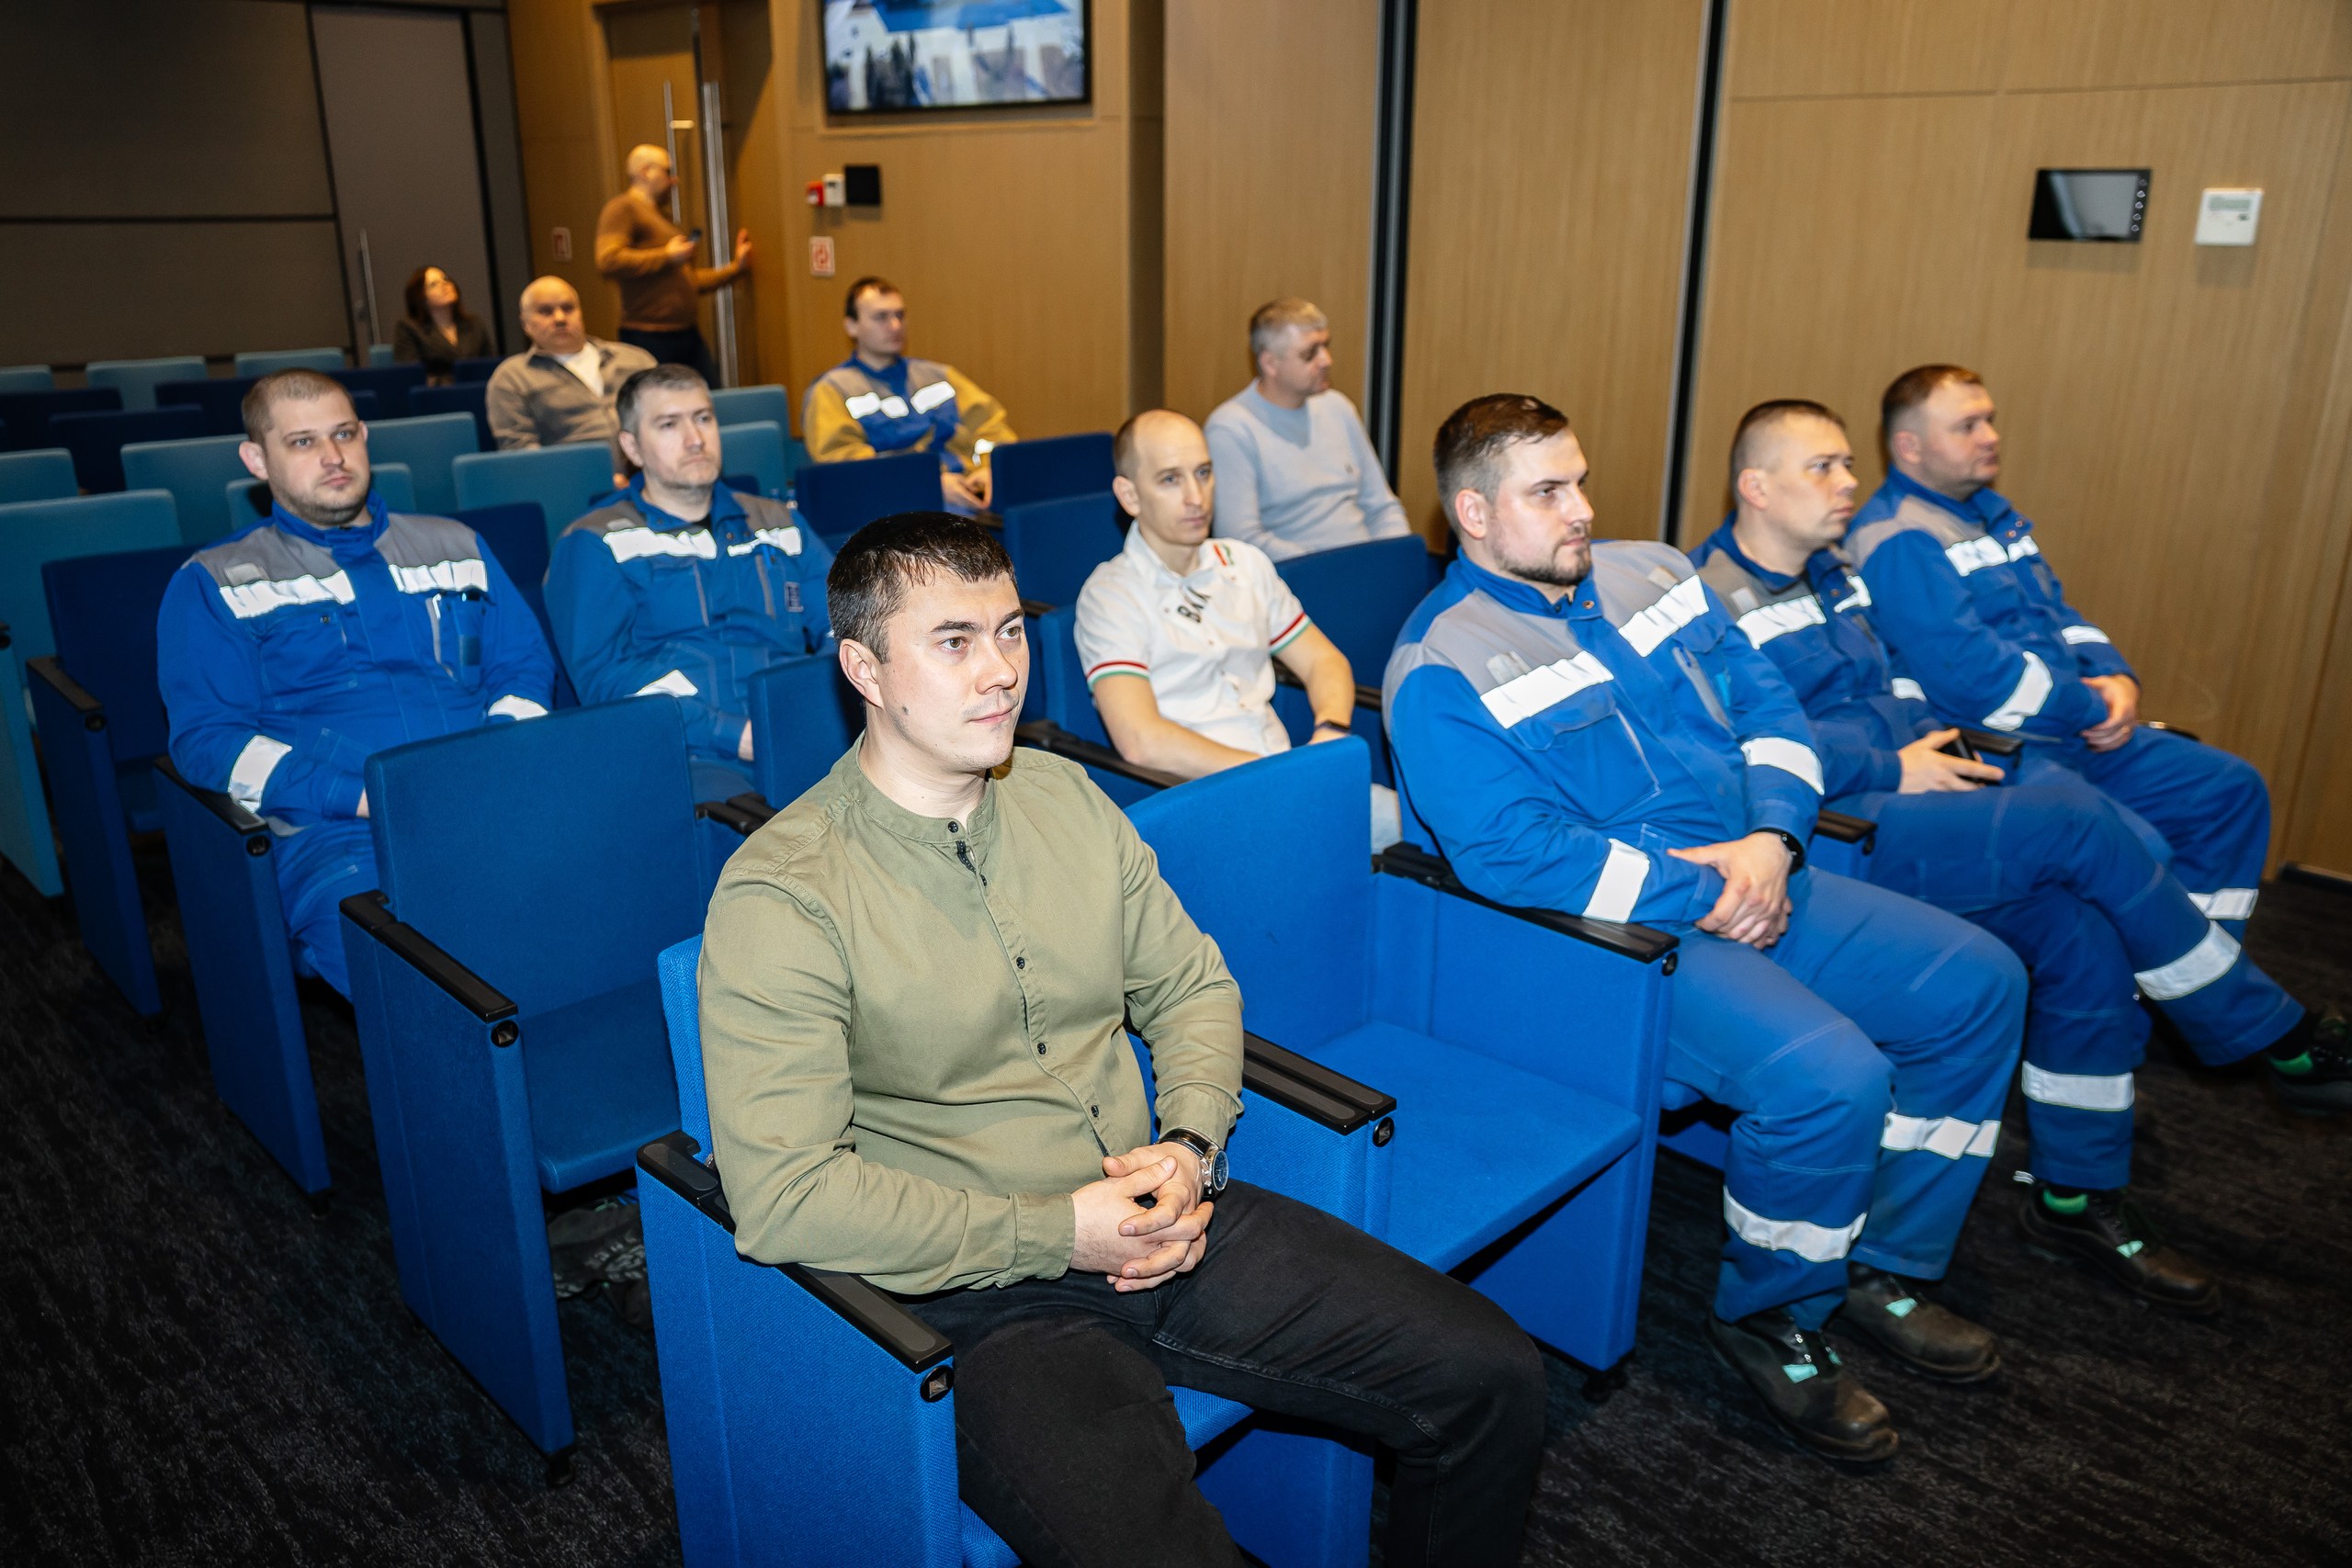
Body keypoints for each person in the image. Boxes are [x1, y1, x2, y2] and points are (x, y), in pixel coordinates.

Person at [697, 514, 1546, 1566]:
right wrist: (1060, 1232)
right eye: (954, 642)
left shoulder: (1061, 795)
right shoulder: (785, 894)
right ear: (864, 668)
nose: (1000, 672)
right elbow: (785, 1197)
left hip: (1159, 1210)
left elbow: (1190, 985)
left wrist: (1188, 1146)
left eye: (1010, 632)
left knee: (1491, 1373)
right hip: (980, 1293)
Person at [1385, 394, 2027, 1462]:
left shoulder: (1655, 574)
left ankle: (1883, 1259)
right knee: (1832, 1079)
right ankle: (1772, 1315)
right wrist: (1709, 890)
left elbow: (1772, 714)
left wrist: (1772, 839)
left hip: (1759, 873)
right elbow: (1515, 856)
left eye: (1580, 481)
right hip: (1623, 943)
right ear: (1474, 514)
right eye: (1547, 492)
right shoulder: (1441, 664)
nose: (1582, 509)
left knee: (1979, 983)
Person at [1691, 400, 2349, 1311]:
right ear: (1756, 488)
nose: (1849, 484)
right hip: (1836, 833)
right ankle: (2266, 1031)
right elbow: (1744, 753)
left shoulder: (1835, 576)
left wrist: (1930, 745)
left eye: (1848, 464)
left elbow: (1906, 686)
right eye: (1823, 468)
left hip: (1916, 789)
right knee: (2075, 826)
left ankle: (2074, 1194)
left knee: (2082, 929)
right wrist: (1893, 761)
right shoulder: (1709, 602)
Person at [1849, 367, 2286, 944]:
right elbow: (1974, 679)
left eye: (1990, 421)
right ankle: (2168, 967)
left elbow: (2058, 615)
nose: (1991, 437)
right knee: (2137, 852)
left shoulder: (1991, 515)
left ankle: (2202, 963)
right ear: (1909, 447)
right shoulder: (1900, 537)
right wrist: (2091, 706)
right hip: (2004, 743)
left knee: (2229, 790)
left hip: (2073, 726)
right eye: (1967, 426)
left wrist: (2114, 676)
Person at [159, 369, 557, 998]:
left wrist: (497, 754)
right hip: (340, 832)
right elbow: (210, 741)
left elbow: (524, 667)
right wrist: (358, 795)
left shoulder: (455, 544)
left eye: (344, 434)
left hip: (490, 795)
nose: (333, 456)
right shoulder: (216, 582)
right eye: (303, 442)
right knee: (434, 989)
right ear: (256, 460)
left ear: (365, 436)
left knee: (611, 915)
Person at [1076, 409, 1400, 849]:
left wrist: (1330, 732)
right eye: (1170, 479)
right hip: (1202, 799)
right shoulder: (1111, 594)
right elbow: (1141, 740)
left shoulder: (1245, 565)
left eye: (1203, 473)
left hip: (1287, 776)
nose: (1196, 497)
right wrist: (1272, 774)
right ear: (1130, 496)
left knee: (1426, 829)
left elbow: (1324, 661)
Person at [545, 365, 834, 802]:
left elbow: (847, 622)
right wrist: (732, 733)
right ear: (632, 447)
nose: (695, 438)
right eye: (669, 424)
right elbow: (606, 677)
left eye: (703, 418)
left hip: (798, 727)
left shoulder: (777, 522)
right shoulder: (595, 542)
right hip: (688, 755)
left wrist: (820, 706)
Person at [1205, 298, 1412, 560]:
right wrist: (1326, 567)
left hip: (1362, 562)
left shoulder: (1338, 407)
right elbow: (1241, 538)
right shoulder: (1231, 428)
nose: (1326, 360)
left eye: (1326, 346)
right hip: (1297, 573)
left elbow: (1382, 507)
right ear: (1270, 364)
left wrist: (1398, 556)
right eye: (1310, 353)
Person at [802, 276, 1015, 513]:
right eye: (881, 317)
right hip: (900, 504)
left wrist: (990, 468)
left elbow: (991, 428)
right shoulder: (832, 390)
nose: (895, 326)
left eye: (900, 315)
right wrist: (928, 483)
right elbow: (844, 463)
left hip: (970, 487)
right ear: (851, 326)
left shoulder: (940, 376)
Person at [594, 144, 752, 385]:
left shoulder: (661, 217)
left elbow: (687, 281)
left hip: (685, 334)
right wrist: (667, 256)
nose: (674, 180)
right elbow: (608, 259)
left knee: (711, 397)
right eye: (667, 171)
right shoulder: (623, 208)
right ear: (645, 172)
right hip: (649, 336)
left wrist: (734, 269)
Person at [485, 276, 656, 470]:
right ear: (525, 323)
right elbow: (521, 453)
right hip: (575, 480)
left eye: (568, 308)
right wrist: (589, 479)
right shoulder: (512, 378)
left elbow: (670, 419)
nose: (560, 318)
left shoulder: (636, 359)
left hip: (650, 476)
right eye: (546, 311)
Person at [390, 265, 492, 384]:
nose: (444, 285)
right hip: (435, 393)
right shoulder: (409, 328)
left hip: (477, 389)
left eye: (445, 279)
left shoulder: (474, 324)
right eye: (434, 284)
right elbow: (410, 376)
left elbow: (490, 365)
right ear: (421, 297)